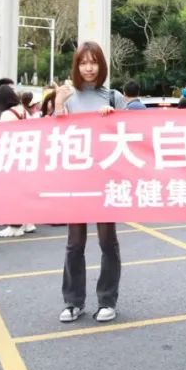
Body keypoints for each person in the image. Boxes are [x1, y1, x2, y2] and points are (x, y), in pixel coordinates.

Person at [54, 41, 127, 324]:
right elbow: (54, 136)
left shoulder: (113, 97)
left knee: (108, 242)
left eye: (93, 62)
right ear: (76, 66)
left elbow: (132, 136)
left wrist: (113, 119)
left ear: (101, 65)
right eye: (83, 62)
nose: (88, 68)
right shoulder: (68, 97)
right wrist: (58, 104)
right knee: (74, 244)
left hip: (106, 180)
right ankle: (73, 302)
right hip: (76, 180)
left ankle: (107, 300)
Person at [0, 85, 37, 239]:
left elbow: (3, 135)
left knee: (12, 192)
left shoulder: (7, 114)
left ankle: (15, 226)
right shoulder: (24, 111)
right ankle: (28, 223)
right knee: (23, 191)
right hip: (27, 155)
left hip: (12, 156)